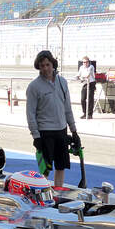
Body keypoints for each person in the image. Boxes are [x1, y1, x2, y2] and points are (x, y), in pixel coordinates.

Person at [26, 50, 79, 188]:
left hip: (61, 130)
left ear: (53, 64)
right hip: (45, 133)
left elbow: (67, 108)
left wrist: (74, 131)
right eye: (42, 65)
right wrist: (36, 136)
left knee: (61, 166)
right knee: (45, 170)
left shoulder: (62, 82)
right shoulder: (34, 86)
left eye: (47, 65)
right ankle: (43, 195)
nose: (45, 68)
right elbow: (30, 113)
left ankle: (58, 192)